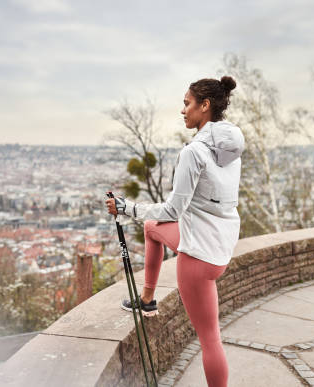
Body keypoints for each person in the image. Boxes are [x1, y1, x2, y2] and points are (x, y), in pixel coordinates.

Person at [105, 76, 244, 387]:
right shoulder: (230, 148)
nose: (183, 111)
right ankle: (148, 300)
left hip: (197, 256)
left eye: (187, 103)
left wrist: (128, 208)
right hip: (219, 246)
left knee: (210, 341)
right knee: (153, 229)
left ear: (204, 106)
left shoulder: (194, 153)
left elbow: (172, 210)